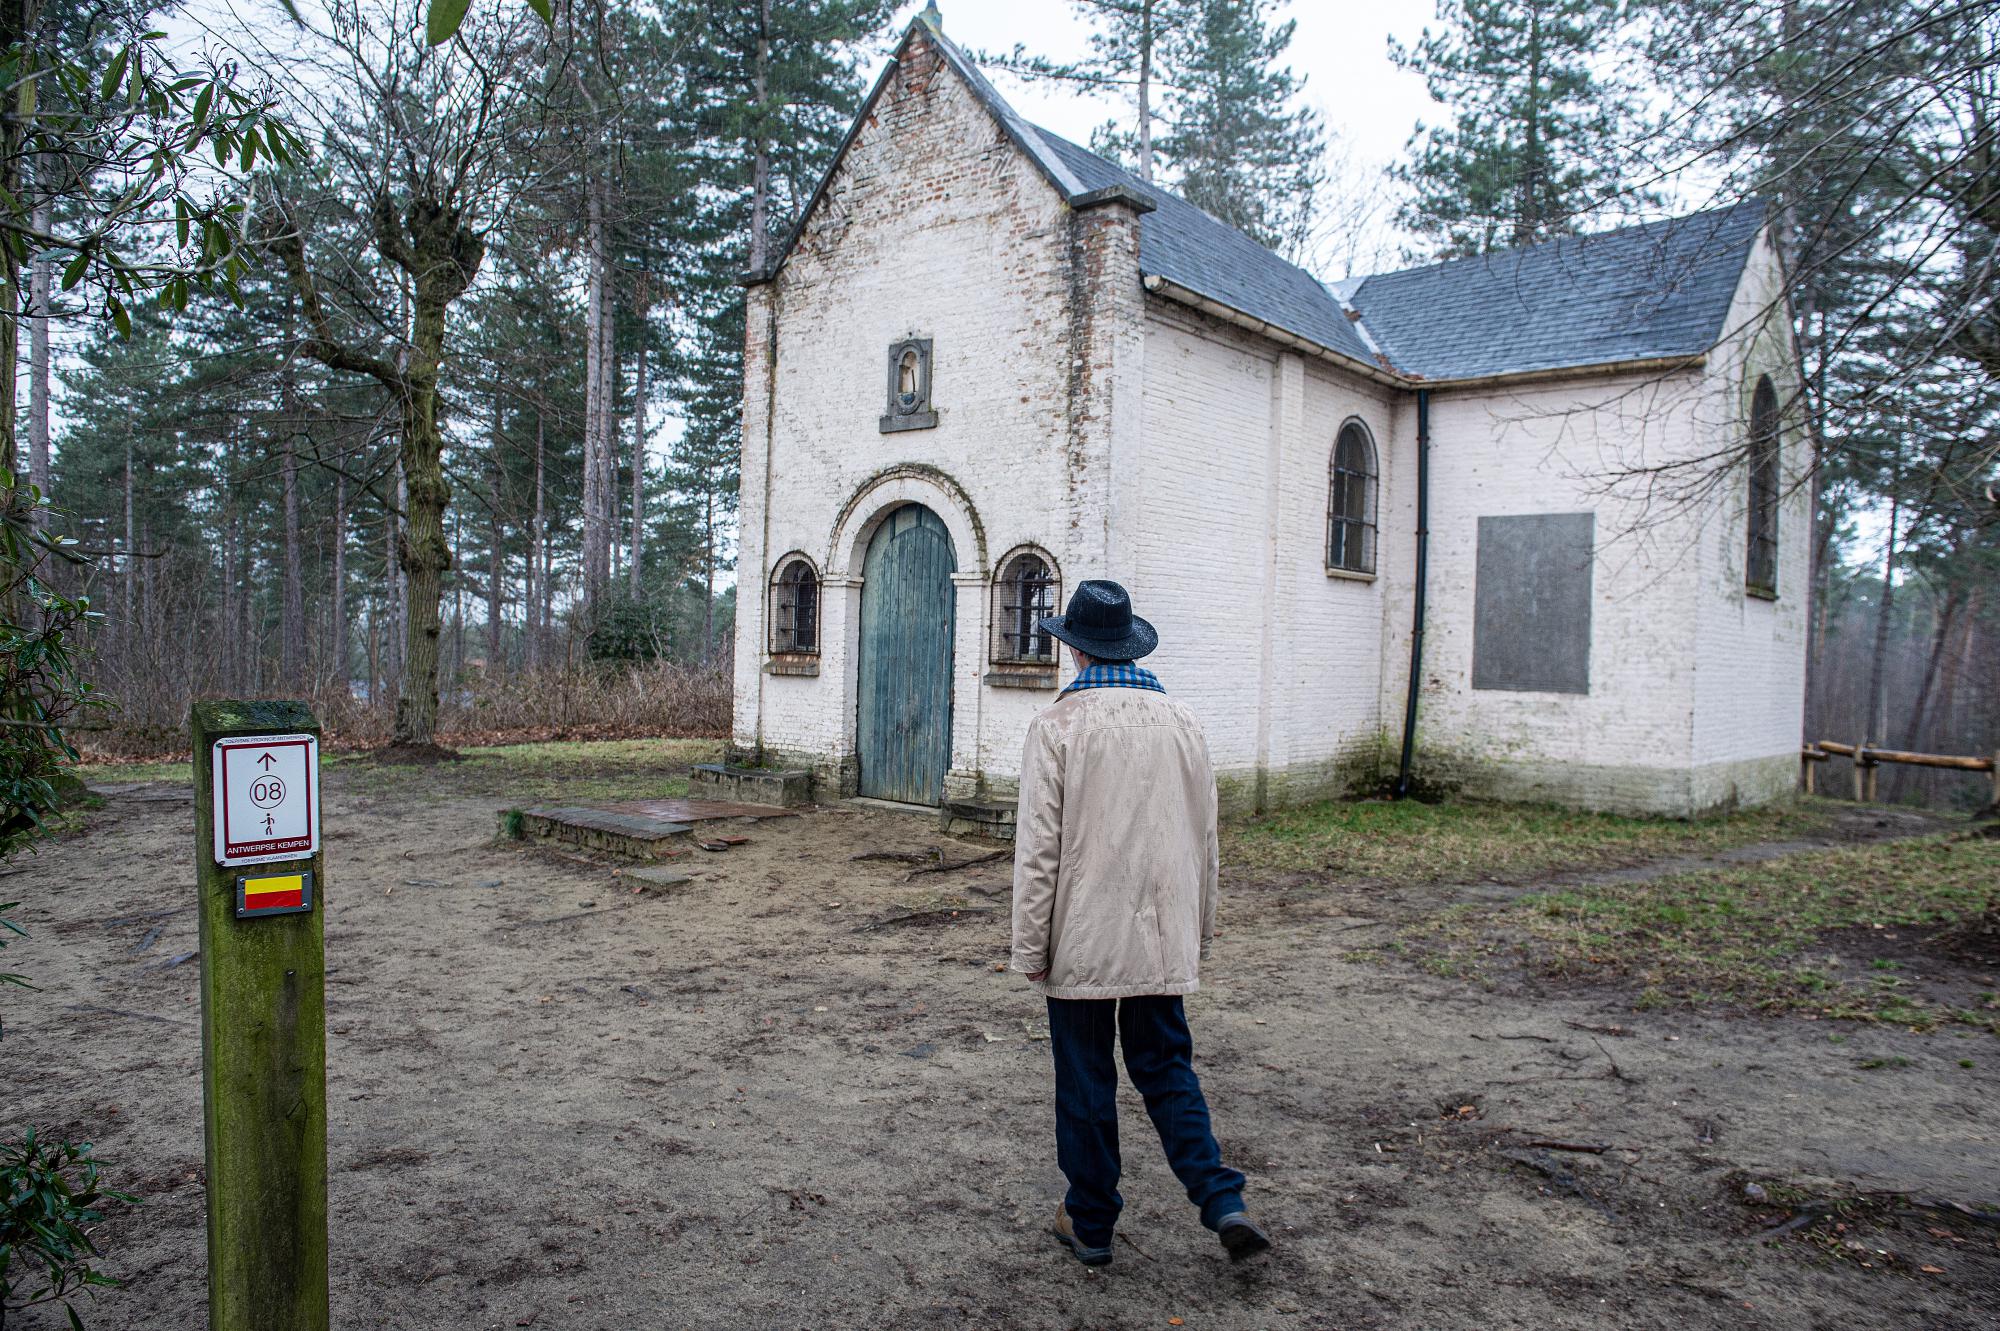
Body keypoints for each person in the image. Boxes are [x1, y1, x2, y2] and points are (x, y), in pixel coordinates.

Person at [1010, 579, 1272, 1267]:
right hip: (1161, 931)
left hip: (1084, 938)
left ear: (1076, 651)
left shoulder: (1057, 728)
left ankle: (1091, 1222)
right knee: (1167, 1067)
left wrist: (1030, 947)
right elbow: (1205, 839)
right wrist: (1200, 932)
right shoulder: (1184, 723)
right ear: (1126, 646)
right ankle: (1221, 1198)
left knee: (1087, 1079)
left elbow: (1039, 851)